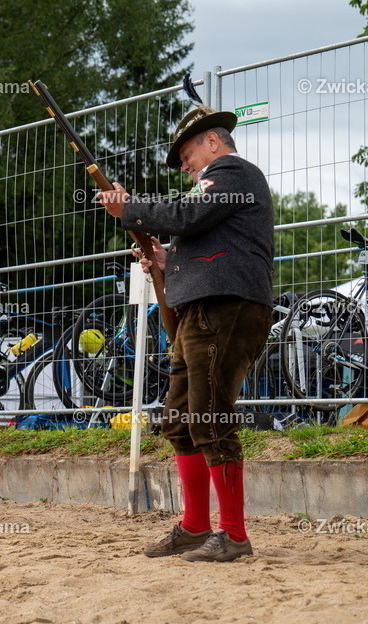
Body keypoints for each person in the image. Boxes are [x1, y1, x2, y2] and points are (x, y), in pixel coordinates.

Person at [96, 105, 274, 562]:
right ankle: (196, 526)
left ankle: (233, 534)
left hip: (227, 308)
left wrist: (129, 207)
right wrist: (163, 260)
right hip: (203, 312)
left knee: (209, 415)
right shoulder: (217, 189)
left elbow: (189, 215)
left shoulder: (233, 171)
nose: (183, 164)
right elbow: (197, 236)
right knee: (180, 419)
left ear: (213, 142)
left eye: (187, 152)